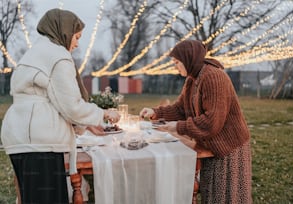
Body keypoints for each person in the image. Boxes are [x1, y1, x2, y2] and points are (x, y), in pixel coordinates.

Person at [0, 8, 120, 204]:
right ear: (64, 30)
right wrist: (103, 114)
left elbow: (54, 100)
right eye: (77, 36)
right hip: (39, 143)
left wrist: (85, 125)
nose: (77, 43)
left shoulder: (35, 52)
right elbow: (70, 105)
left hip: (20, 136)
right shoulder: (58, 56)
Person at [140, 40, 252, 204]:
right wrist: (155, 112)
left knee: (227, 197)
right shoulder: (193, 79)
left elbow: (211, 122)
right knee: (212, 194)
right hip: (212, 145)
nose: (175, 66)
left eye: (177, 62)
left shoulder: (213, 77)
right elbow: (181, 109)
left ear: (188, 58)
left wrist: (177, 127)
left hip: (228, 147)